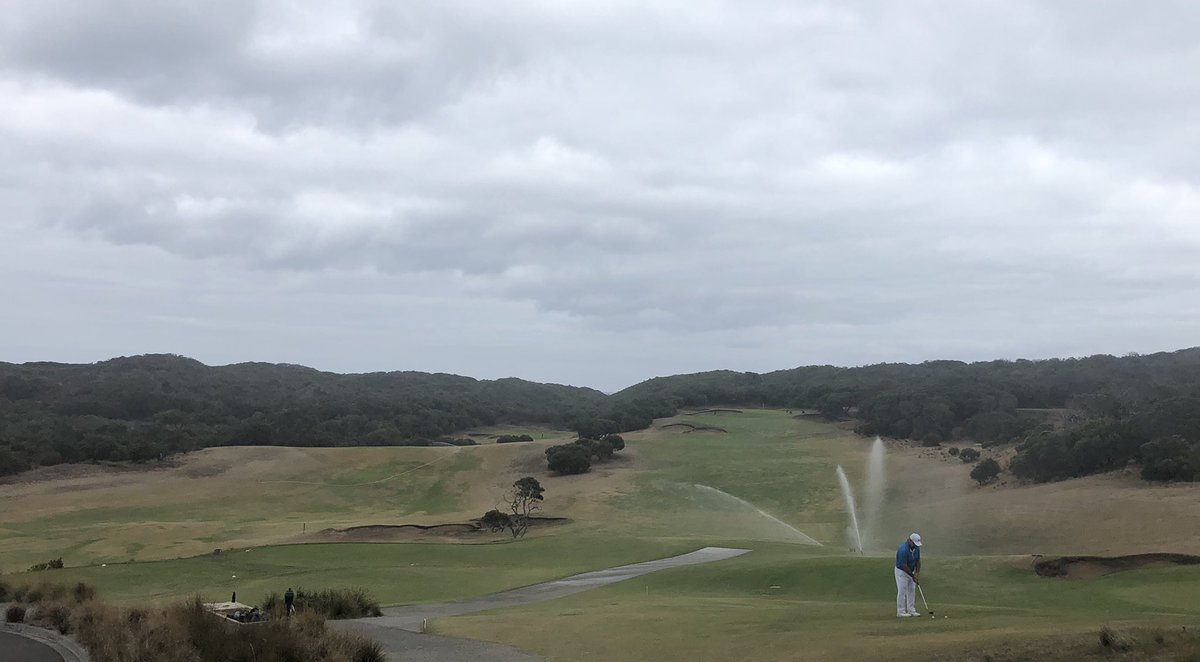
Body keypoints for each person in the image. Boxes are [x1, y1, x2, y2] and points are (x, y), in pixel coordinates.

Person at [894, 532, 922, 617]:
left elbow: (918, 561)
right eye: (914, 543)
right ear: (910, 540)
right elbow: (903, 565)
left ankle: (911, 610)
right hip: (901, 571)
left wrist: (916, 573)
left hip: (911, 570)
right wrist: (912, 575)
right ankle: (901, 612)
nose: (915, 545)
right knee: (902, 590)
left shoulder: (916, 548)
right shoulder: (903, 549)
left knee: (912, 589)